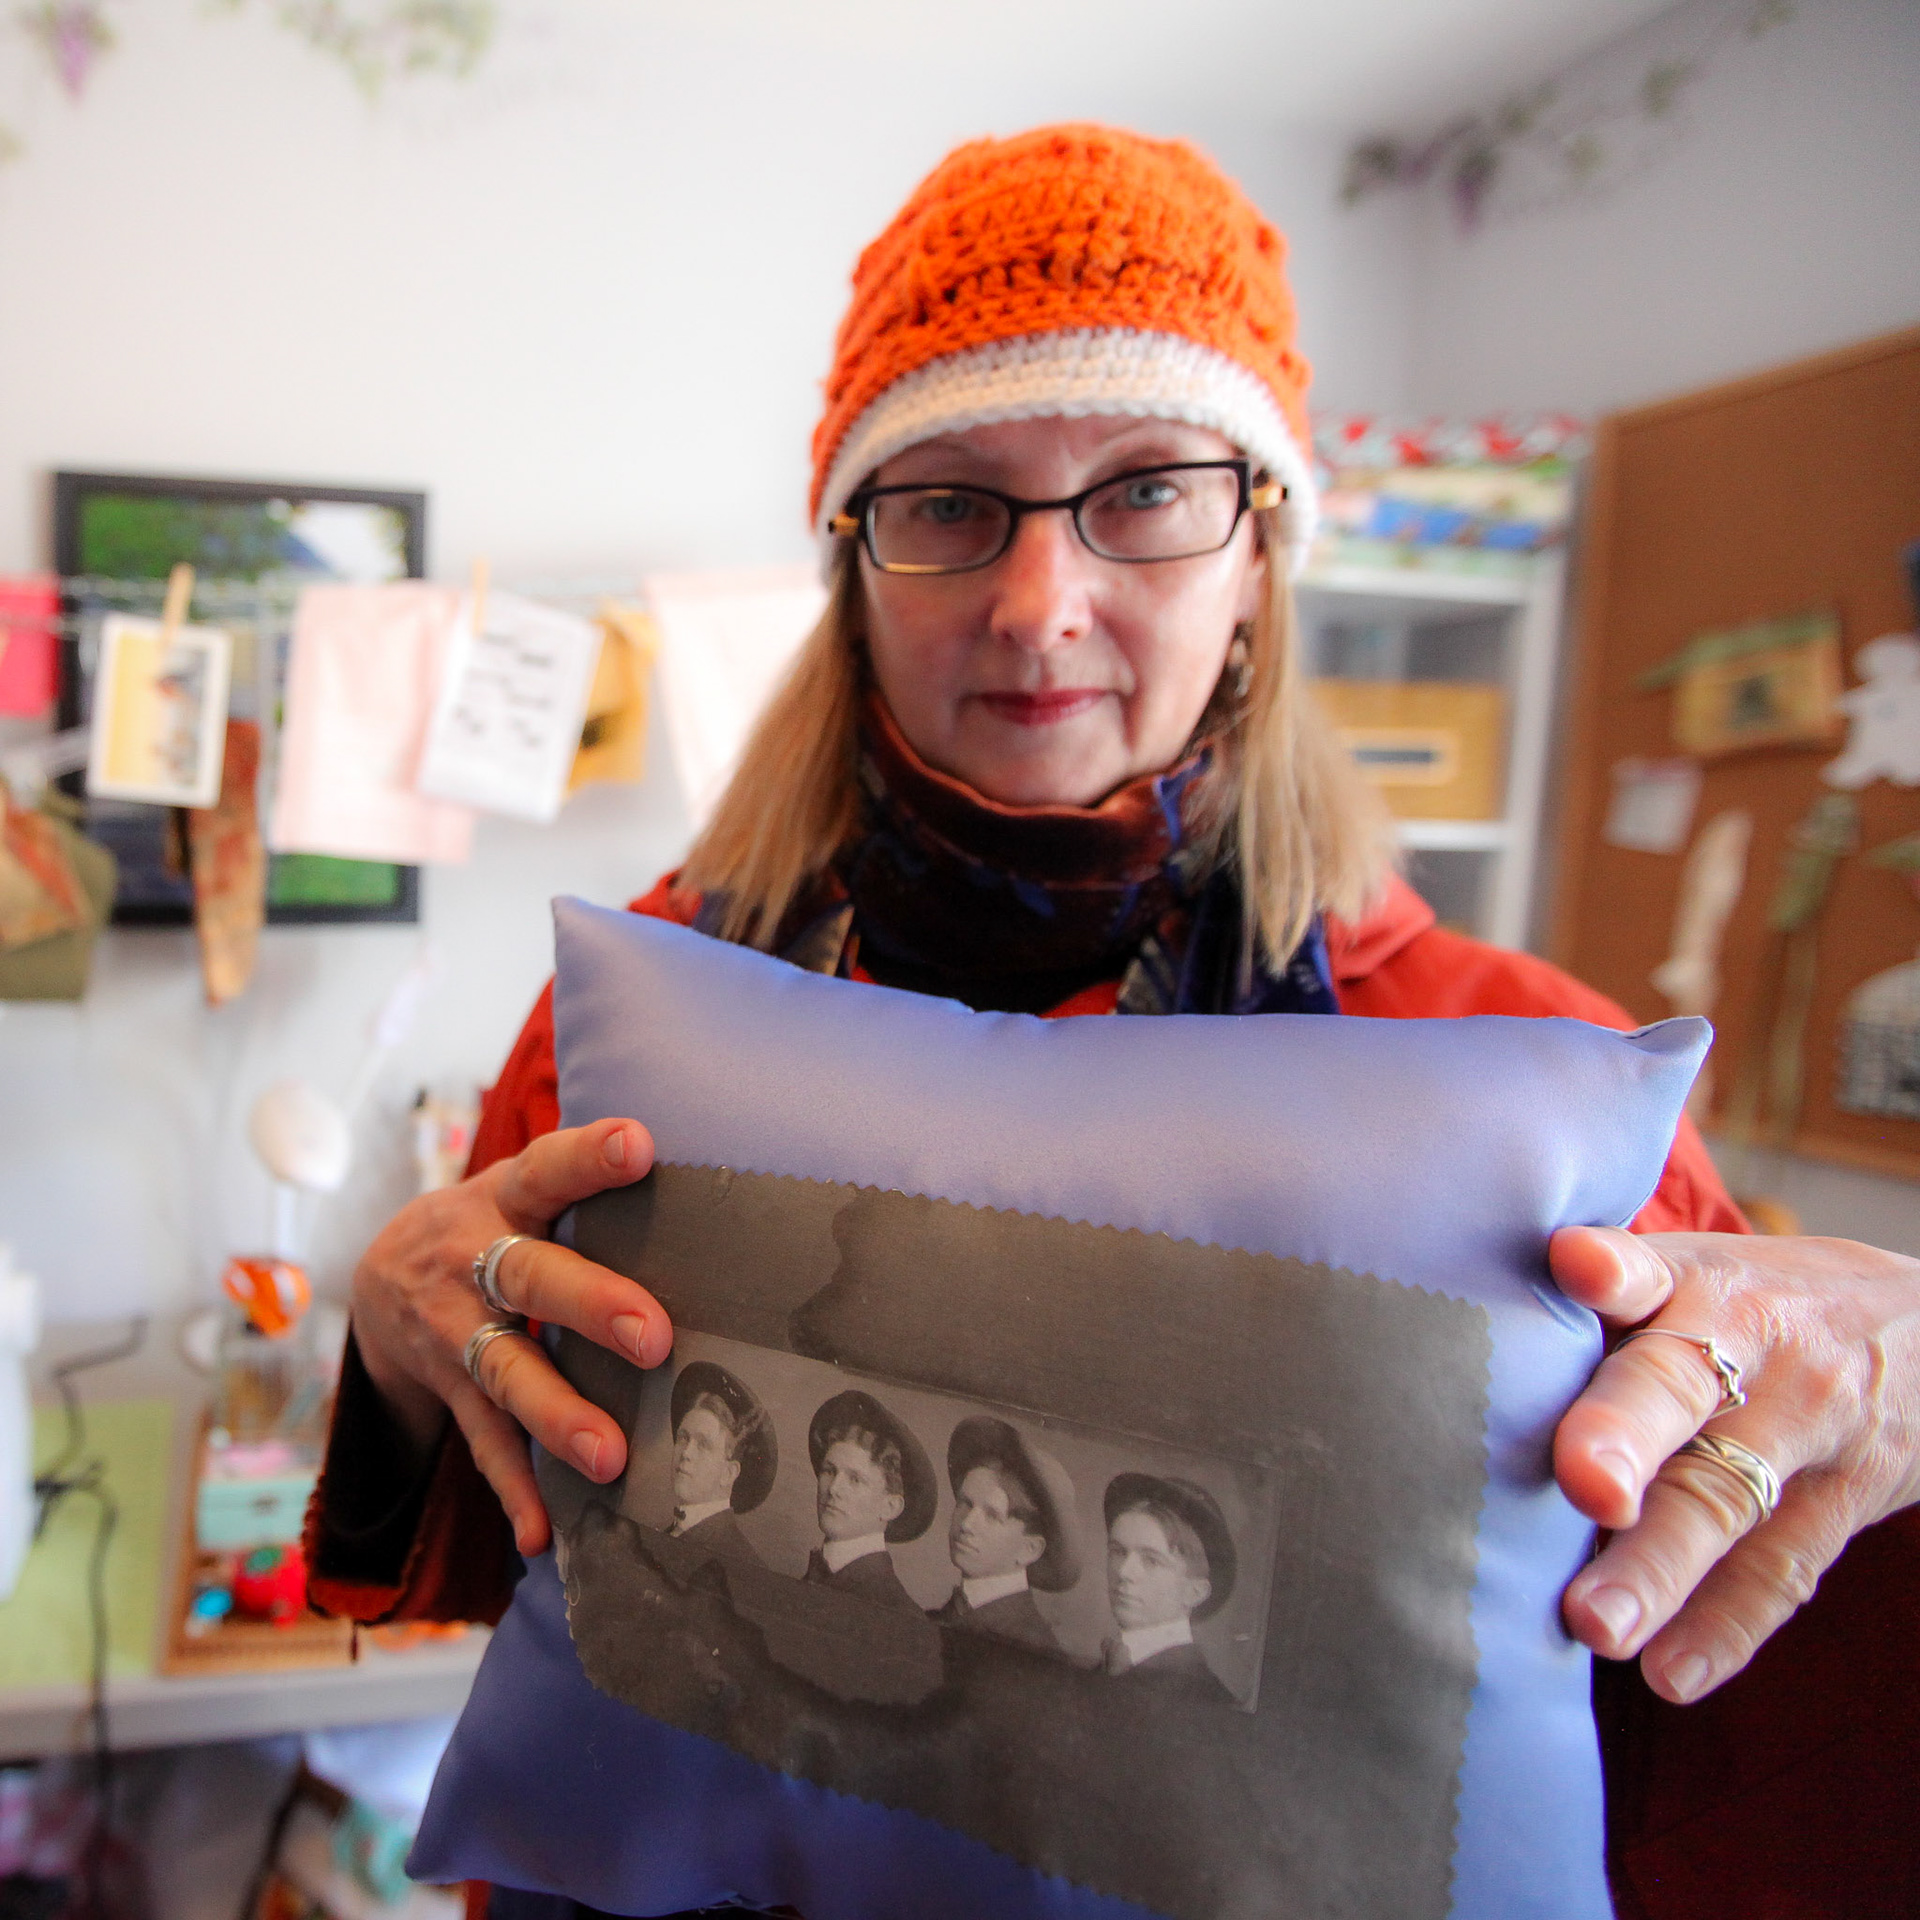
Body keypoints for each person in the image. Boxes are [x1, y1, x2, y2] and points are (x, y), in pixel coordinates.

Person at [312, 124, 1920, 1917]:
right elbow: (520, 1569)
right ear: (855, 564)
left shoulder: (1515, 1075)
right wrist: (399, 1338)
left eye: (1146, 490)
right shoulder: (643, 1012)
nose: (1038, 606)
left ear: (1260, 557)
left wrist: (1899, 1374)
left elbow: (1718, 1665)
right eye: (948, 502)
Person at [931, 1416, 1079, 1652]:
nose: (967, 1524)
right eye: (965, 1503)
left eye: (992, 1515)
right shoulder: (940, 1617)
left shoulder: (1031, 1648)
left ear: (1029, 1550)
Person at [1101, 1474, 1238, 1705]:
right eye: (1118, 1551)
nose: (1124, 1572)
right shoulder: (1101, 1667)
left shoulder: (1207, 1700)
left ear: (1194, 1592)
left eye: (1151, 1560)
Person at [801, 1389, 934, 1611]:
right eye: (829, 1471)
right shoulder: (814, 1576)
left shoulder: (894, 1610)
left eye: (855, 1479)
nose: (833, 1489)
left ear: (890, 1507)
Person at [663, 1361, 775, 1566]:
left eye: (703, 1444)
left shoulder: (741, 1561)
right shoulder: (668, 1532)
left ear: (729, 1473)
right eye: (683, 1438)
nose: (686, 1453)